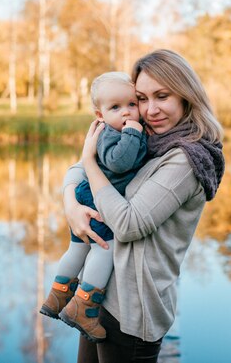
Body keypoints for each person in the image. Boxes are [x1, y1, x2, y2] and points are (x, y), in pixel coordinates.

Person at [62, 49, 225, 363]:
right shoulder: (145, 138)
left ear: (186, 96)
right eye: (141, 98)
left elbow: (128, 224)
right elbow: (80, 167)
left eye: (162, 96)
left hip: (133, 312)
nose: (150, 110)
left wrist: (90, 164)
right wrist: (70, 201)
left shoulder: (185, 158)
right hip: (98, 298)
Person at [40, 72, 147, 342]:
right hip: (97, 199)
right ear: (99, 114)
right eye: (115, 108)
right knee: (104, 248)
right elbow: (119, 163)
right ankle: (84, 306)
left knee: (78, 247)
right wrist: (134, 132)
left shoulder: (112, 129)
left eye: (132, 105)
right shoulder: (113, 134)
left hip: (86, 194)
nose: (126, 113)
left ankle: (57, 296)